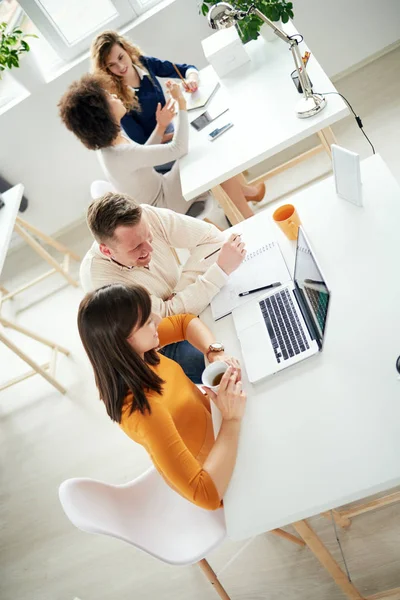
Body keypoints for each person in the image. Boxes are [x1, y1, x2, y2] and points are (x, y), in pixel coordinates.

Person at [78, 283, 247, 510]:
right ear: (125, 340)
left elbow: (184, 322)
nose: (157, 320)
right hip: (224, 468)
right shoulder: (145, 411)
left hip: (222, 427)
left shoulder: (138, 355)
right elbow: (205, 495)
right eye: (147, 321)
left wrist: (215, 352)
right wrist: (231, 420)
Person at [90, 30, 265, 214]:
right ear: (106, 70)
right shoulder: (119, 102)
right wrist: (177, 128)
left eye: (121, 57)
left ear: (126, 49)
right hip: (157, 156)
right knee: (209, 151)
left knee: (213, 140)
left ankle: (242, 196)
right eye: (112, 65)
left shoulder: (144, 64)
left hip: (171, 135)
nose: (121, 66)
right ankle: (243, 207)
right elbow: (144, 147)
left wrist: (192, 80)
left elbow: (187, 69)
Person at [80, 191, 246, 383]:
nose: (150, 250)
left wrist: (179, 294)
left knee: (247, 315)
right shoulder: (102, 283)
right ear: (106, 250)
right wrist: (220, 271)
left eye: (149, 237)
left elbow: (213, 239)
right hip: (160, 343)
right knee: (234, 360)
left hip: (184, 307)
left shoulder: (145, 215)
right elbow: (166, 320)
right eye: (136, 247)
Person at [59, 74, 203, 216]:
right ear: (102, 114)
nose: (114, 96)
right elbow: (179, 149)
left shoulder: (110, 144)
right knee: (199, 151)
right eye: (109, 96)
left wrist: (161, 126)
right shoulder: (120, 153)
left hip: (162, 190)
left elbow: (140, 156)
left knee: (198, 145)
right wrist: (181, 101)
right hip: (166, 205)